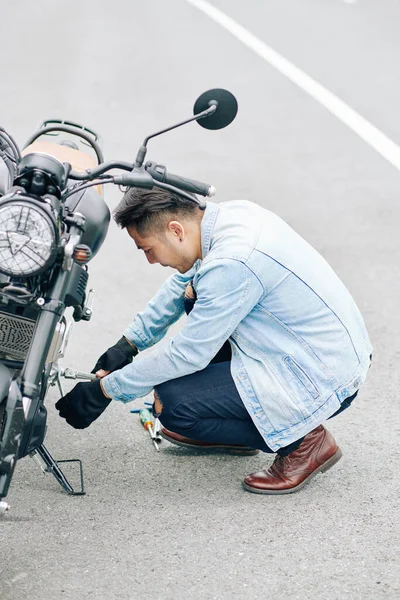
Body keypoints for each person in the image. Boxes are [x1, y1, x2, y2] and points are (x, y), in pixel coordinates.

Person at [56, 187, 372, 495]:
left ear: (175, 230)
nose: (150, 260)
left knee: (174, 406)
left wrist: (106, 390)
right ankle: (245, 424)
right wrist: (128, 344)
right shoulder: (227, 219)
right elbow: (180, 286)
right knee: (194, 296)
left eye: (147, 249)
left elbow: (187, 355)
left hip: (320, 378)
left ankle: (304, 442)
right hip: (315, 352)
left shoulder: (234, 261)